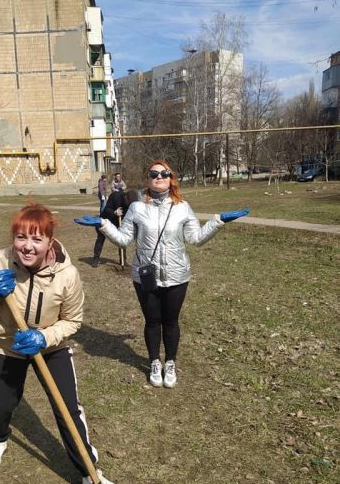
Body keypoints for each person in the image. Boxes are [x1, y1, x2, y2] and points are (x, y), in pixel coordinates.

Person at [0, 202, 124, 484]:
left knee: (68, 410)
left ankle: (91, 473)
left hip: (51, 347)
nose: (27, 247)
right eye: (21, 237)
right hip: (7, 346)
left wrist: (44, 336)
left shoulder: (67, 274)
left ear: (50, 242)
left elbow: (73, 320)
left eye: (36, 239)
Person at [75, 160, 250, 388]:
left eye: (164, 173)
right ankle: (154, 361)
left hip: (177, 275)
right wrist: (103, 224)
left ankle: (170, 362)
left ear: (171, 178)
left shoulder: (182, 207)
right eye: (154, 173)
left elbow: (196, 238)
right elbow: (125, 240)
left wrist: (218, 221)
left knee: (171, 321)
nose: (159, 176)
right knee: (152, 321)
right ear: (148, 179)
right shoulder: (137, 208)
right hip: (145, 276)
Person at [92, 189, 138, 268]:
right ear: (125, 197)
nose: (129, 205)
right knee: (100, 239)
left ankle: (123, 260)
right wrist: (114, 212)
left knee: (122, 240)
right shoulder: (115, 196)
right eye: (128, 203)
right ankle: (96, 259)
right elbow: (106, 210)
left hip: (118, 222)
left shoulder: (131, 204)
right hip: (106, 220)